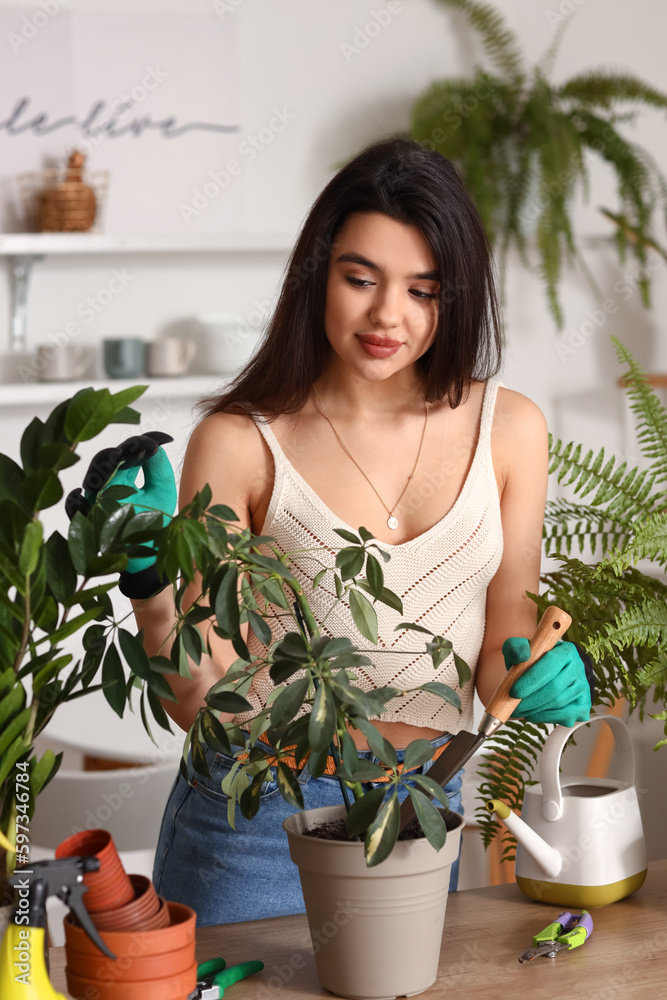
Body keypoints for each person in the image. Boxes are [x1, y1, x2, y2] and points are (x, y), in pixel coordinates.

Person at [127, 137, 592, 925]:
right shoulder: (243, 441)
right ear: (317, 279)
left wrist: (535, 674)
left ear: (458, 296)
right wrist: (151, 597)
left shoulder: (509, 429)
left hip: (416, 811)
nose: (388, 316)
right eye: (360, 280)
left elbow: (501, 650)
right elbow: (201, 697)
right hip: (255, 822)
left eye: (423, 289)